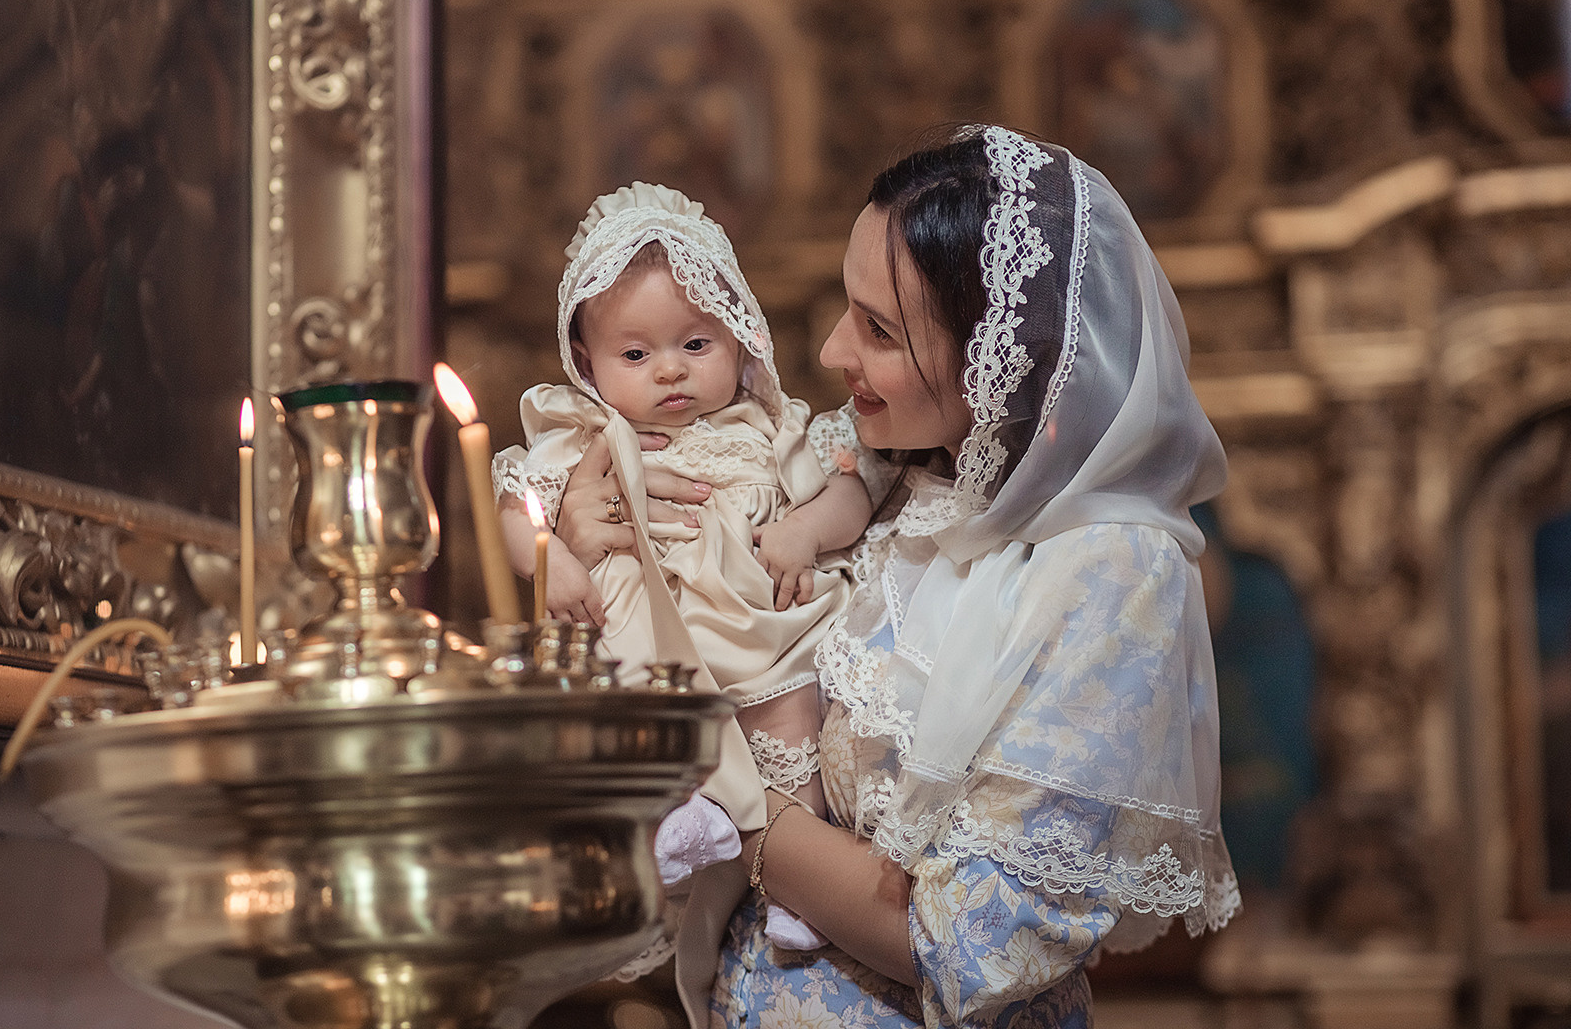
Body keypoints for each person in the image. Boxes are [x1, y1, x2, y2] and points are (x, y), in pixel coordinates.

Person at [555, 126, 1239, 1027]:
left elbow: (977, 944)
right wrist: (582, 520)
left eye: (878, 329)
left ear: (997, 353)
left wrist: (733, 804)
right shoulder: (885, 476)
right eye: (849, 309)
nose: (834, 351)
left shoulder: (1110, 570)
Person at [492, 182, 874, 954]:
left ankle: (792, 870)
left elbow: (851, 493)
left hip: (756, 621)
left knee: (789, 712)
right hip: (649, 627)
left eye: (696, 345)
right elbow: (514, 505)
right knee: (636, 712)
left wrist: (803, 531)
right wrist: (551, 559)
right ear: (587, 363)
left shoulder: (774, 425)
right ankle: (676, 817)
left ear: (743, 340)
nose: (669, 371)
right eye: (636, 354)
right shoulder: (583, 434)